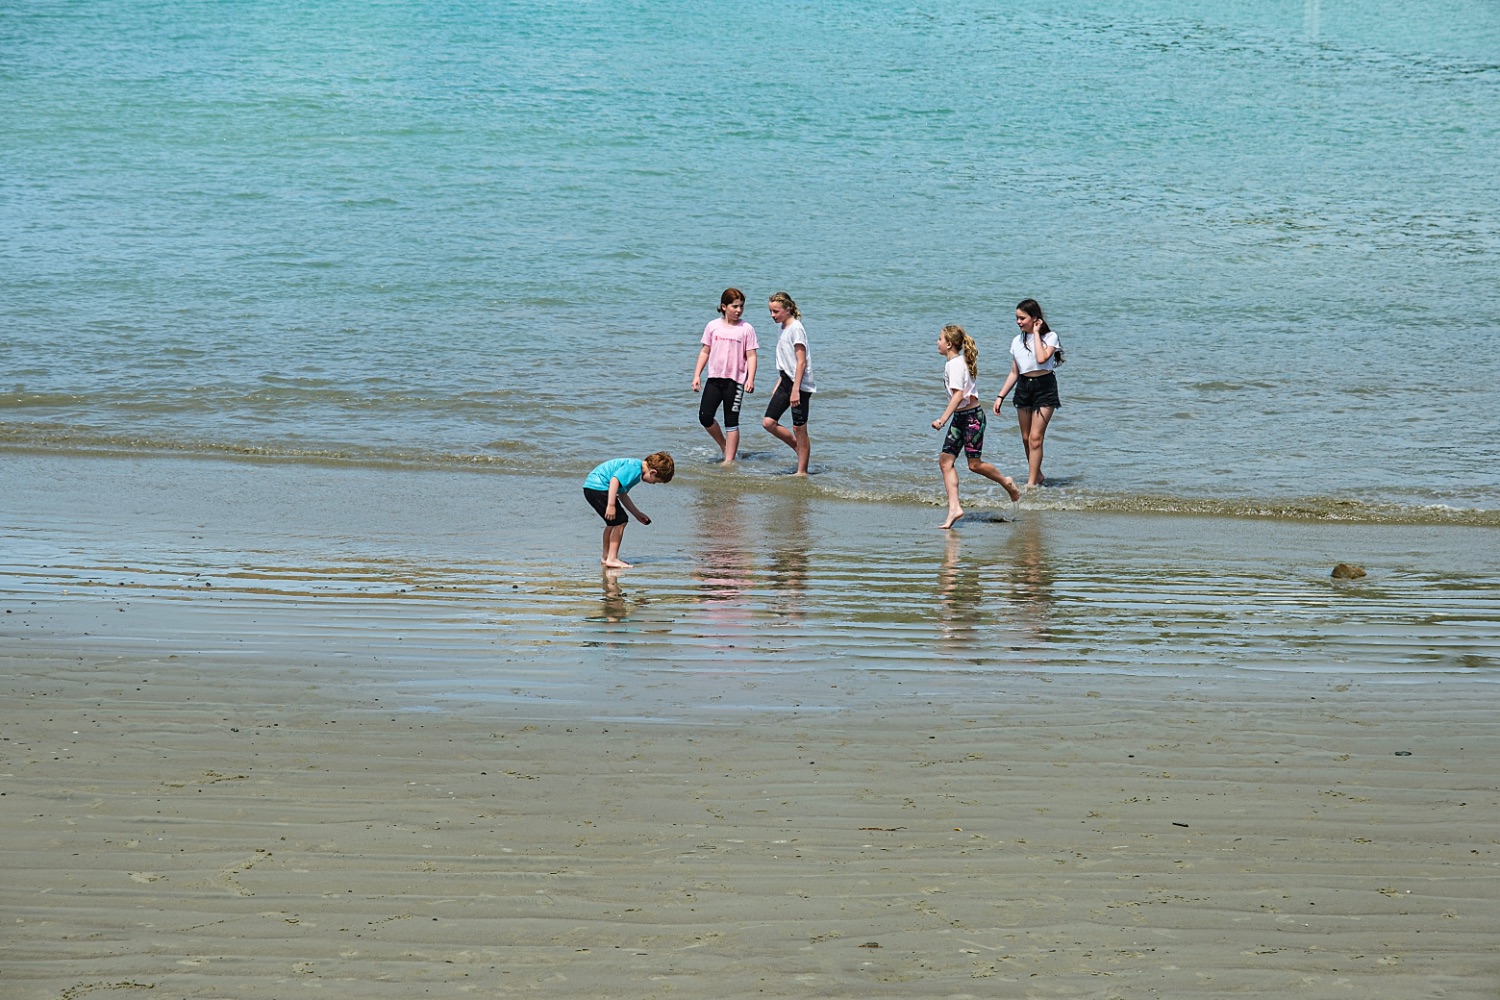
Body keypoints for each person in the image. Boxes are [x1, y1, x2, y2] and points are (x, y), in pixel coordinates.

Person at [932, 324, 1022, 529]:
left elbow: (958, 395)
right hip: (960, 418)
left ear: (949, 344)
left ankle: (1006, 482)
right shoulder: (954, 363)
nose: (937, 342)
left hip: (972, 419)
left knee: (974, 465)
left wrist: (942, 419)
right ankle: (954, 508)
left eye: (940, 339)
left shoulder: (955, 365)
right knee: (945, 462)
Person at [993, 298, 1062, 488]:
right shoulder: (1016, 341)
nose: (1018, 322)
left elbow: (1041, 358)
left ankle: (1031, 484)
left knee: (1035, 438)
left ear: (1035, 318)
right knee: (1026, 438)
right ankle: (1037, 475)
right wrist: (1000, 396)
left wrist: (1037, 333)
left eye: (1022, 318)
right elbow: (1014, 372)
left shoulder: (1051, 337)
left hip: (1045, 387)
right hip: (1024, 387)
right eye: (1017, 318)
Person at [692, 288, 758, 464]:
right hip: (714, 379)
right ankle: (724, 446)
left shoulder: (746, 329)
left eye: (741, 306)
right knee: (705, 416)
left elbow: (751, 356)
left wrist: (750, 378)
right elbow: (705, 351)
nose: (739, 310)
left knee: (731, 421)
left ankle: (729, 461)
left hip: (736, 382)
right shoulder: (712, 326)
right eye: (735, 306)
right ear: (724, 306)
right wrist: (697, 375)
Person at [583, 452, 675, 569]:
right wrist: (611, 505)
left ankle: (606, 557)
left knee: (612, 523)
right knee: (621, 521)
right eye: (656, 481)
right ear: (653, 472)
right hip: (599, 487)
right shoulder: (634, 468)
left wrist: (637, 514)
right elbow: (614, 481)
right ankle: (612, 559)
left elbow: (622, 495)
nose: (653, 484)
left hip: (592, 487)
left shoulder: (635, 469)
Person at [760, 290, 815, 475]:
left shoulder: (796, 328)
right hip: (785, 380)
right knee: (768, 422)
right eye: (770, 311)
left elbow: (801, 362)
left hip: (800, 385)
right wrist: (780, 380)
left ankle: (802, 472)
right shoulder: (782, 327)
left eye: (776, 311)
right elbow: (787, 360)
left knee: (799, 428)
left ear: (788, 309)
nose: (772, 315)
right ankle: (798, 448)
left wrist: (796, 390)